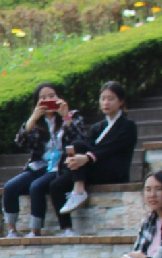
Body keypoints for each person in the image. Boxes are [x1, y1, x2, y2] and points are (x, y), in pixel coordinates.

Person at [2, 82, 87, 238]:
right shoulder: (37, 122)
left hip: (60, 166)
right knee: (10, 187)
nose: (48, 100)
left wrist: (66, 116)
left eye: (52, 96)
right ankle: (11, 230)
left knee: (37, 187)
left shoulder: (73, 115)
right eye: (43, 98)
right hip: (38, 166)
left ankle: (35, 230)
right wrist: (33, 118)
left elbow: (79, 140)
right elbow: (21, 142)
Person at [53, 80, 139, 231]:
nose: (106, 102)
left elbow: (110, 148)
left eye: (111, 98)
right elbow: (85, 144)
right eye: (103, 98)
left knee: (81, 150)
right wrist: (75, 159)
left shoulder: (127, 125)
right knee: (56, 185)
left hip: (113, 170)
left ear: (121, 101)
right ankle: (66, 229)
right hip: (92, 168)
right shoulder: (98, 127)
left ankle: (79, 189)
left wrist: (86, 158)